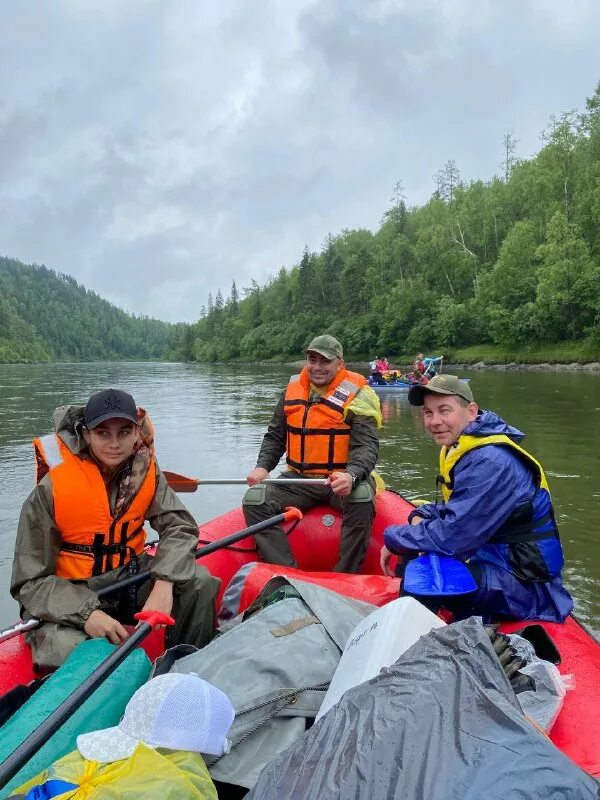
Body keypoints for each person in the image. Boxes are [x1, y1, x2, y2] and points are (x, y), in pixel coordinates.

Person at [11, 388, 220, 671]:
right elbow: (29, 582)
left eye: (124, 432)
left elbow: (180, 526)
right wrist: (87, 614)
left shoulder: (146, 470)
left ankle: (183, 673)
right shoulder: (51, 489)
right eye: (103, 433)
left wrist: (165, 581)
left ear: (136, 433)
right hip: (72, 588)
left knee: (199, 583)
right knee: (67, 649)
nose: (114, 443)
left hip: (128, 577)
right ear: (86, 435)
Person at [380, 375, 573, 622]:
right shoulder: (462, 445)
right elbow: (458, 509)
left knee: (420, 576)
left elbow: (451, 538)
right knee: (415, 548)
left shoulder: (490, 460)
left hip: (528, 588)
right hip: (495, 565)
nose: (435, 421)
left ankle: (408, 645)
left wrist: (393, 539)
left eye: (444, 410)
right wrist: (421, 514)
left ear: (471, 411)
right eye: (428, 412)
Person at [243, 335, 382, 573]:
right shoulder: (291, 390)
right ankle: (287, 575)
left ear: (340, 363)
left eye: (324, 361)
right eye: (312, 359)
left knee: (361, 498)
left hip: (340, 480)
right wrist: (262, 466)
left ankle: (344, 575)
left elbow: (366, 446)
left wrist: (351, 475)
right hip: (299, 479)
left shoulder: (359, 394)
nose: (317, 367)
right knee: (255, 500)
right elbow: (275, 436)